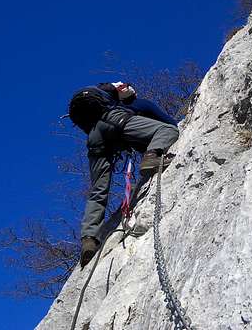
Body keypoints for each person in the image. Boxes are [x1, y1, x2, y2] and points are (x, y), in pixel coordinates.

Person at [68, 82, 179, 267]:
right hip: (115, 121)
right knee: (167, 131)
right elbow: (169, 124)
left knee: (98, 191)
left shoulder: (101, 103)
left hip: (95, 138)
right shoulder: (139, 104)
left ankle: (89, 239)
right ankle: (152, 157)